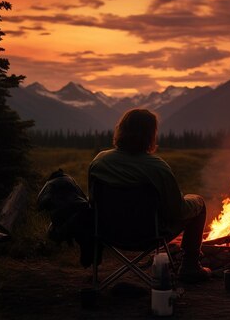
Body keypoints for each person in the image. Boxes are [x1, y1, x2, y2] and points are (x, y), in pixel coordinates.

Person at [88, 108, 211, 283]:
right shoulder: (157, 167)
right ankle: (190, 267)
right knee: (198, 203)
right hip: (147, 235)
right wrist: (195, 202)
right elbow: (177, 211)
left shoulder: (100, 161)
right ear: (150, 135)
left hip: (108, 233)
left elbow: (92, 201)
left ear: (121, 129)